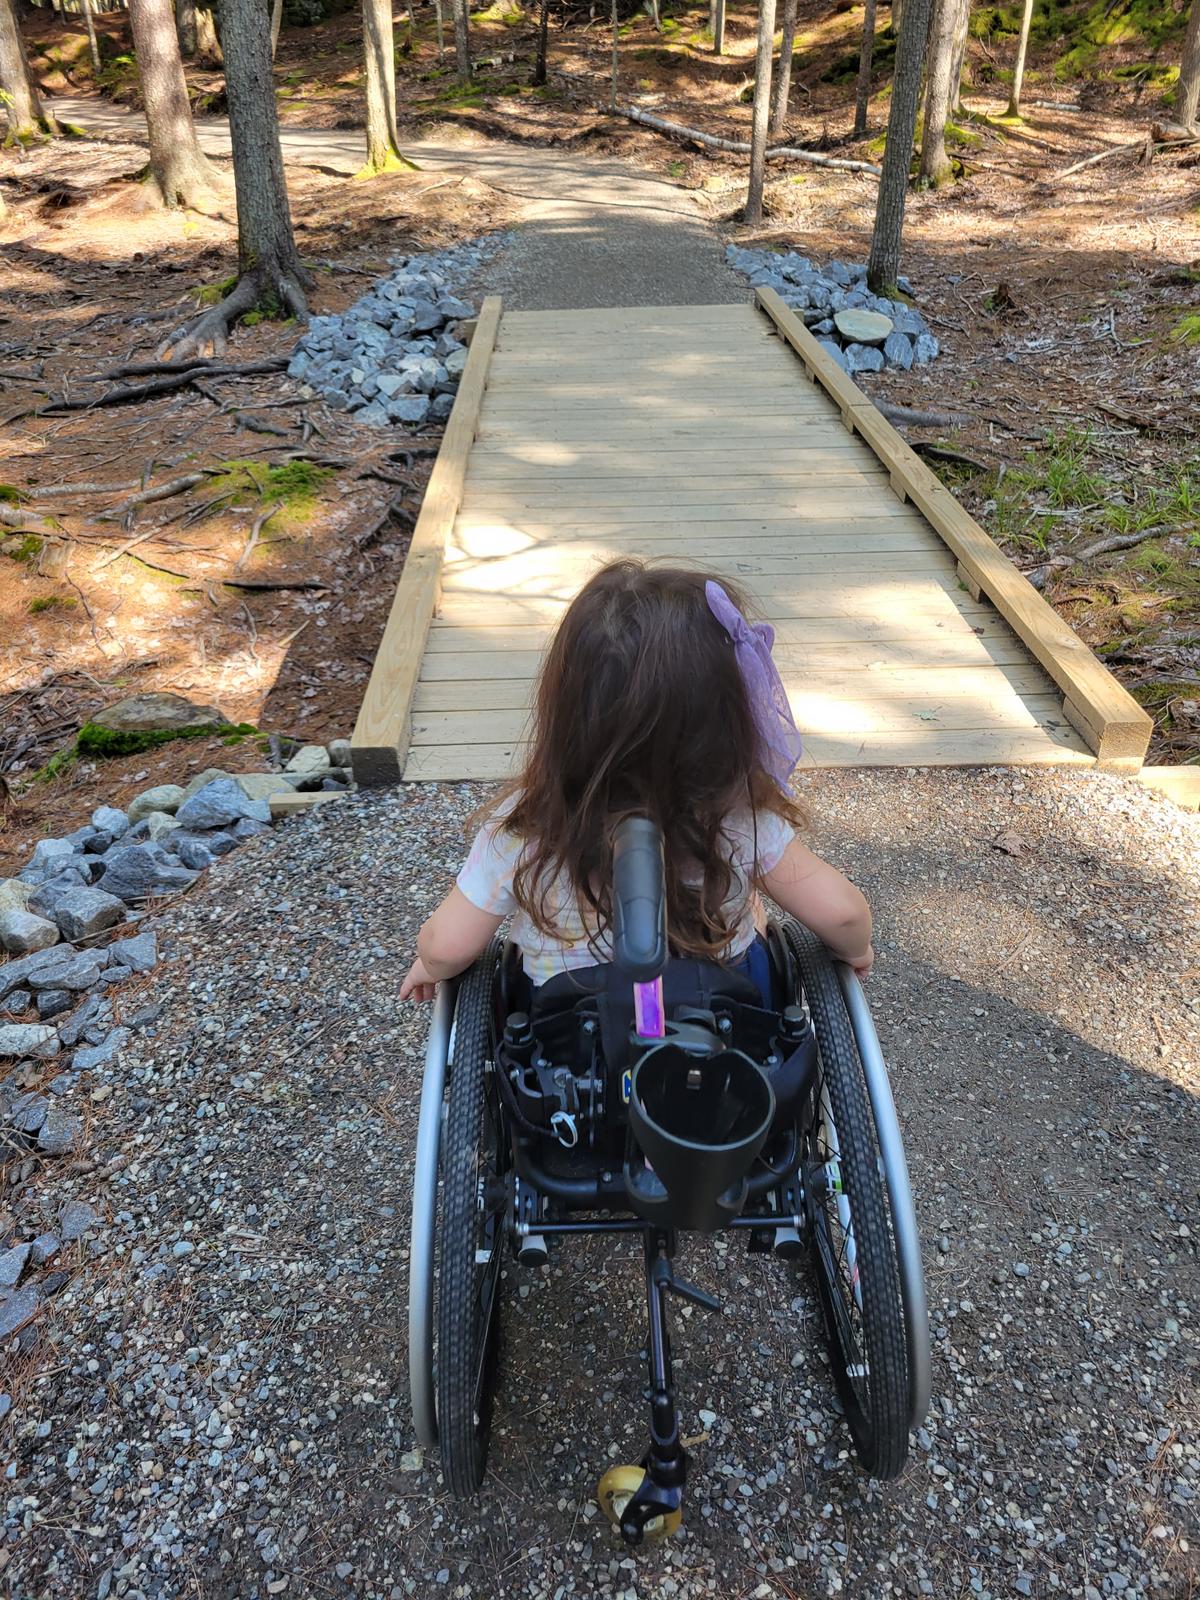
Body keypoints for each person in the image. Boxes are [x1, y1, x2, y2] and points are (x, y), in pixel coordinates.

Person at [400, 560, 874, 1002]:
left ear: (565, 718)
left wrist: (427, 961)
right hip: (722, 1021)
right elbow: (844, 914)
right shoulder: (739, 818)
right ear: (727, 722)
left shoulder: (527, 828)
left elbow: (447, 947)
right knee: (756, 933)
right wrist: (855, 950)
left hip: (569, 1039)